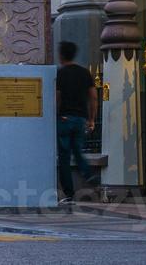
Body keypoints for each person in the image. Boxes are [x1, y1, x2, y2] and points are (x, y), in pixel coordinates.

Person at [55, 41, 98, 204]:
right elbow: (93, 96)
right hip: (80, 119)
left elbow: (57, 96)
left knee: (64, 157)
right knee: (78, 150)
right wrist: (92, 119)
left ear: (61, 55)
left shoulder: (61, 73)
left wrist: (56, 114)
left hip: (65, 118)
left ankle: (69, 194)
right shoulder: (85, 73)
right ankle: (87, 173)